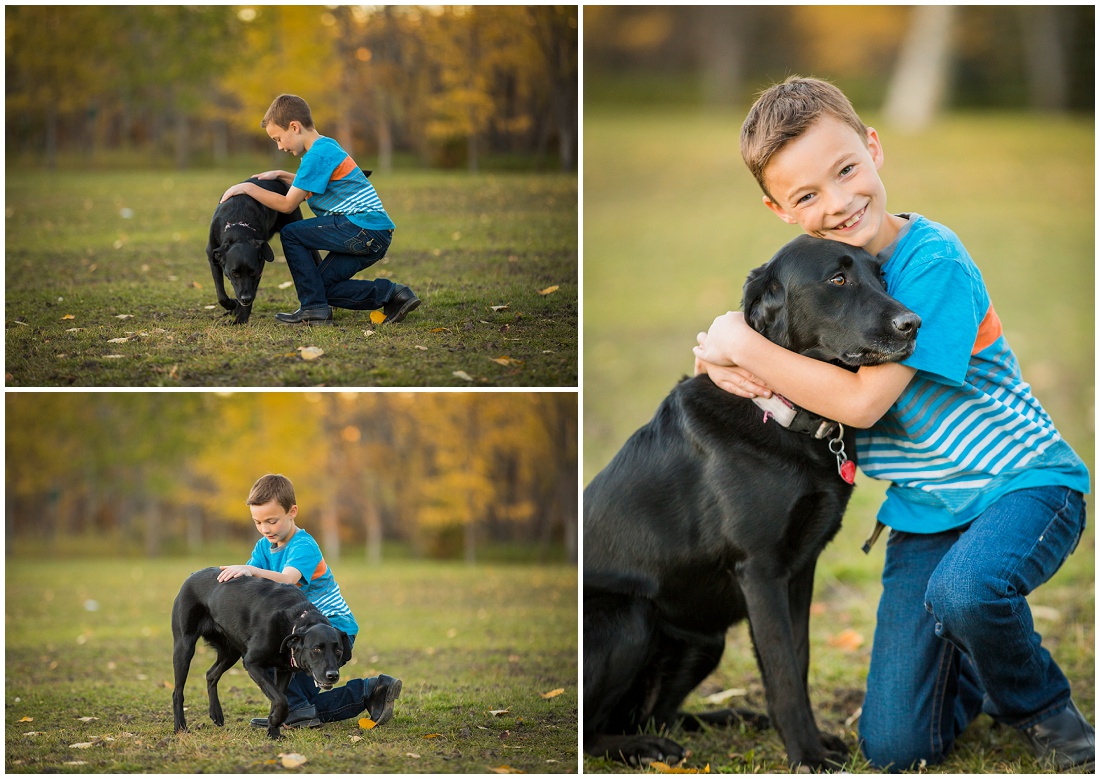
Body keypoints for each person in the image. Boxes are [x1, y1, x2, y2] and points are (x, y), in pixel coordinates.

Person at [692, 76, 1093, 772]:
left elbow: (862, 404)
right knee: (896, 747)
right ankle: (972, 659)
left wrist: (738, 339)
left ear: (873, 147)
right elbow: (751, 367)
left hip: (1022, 486)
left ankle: (1041, 707)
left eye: (846, 170)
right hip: (924, 514)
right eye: (808, 194)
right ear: (779, 209)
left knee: (965, 589)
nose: (839, 202)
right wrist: (721, 352)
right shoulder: (826, 284)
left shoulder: (932, 263)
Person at [218, 473, 402, 729]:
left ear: (292, 512)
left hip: (332, 632)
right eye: (258, 522)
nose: (265, 528)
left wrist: (251, 570)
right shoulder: (262, 547)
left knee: (270, 656)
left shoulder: (304, 545)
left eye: (272, 521)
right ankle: (370, 690)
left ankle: (297, 710)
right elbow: (253, 587)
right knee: (301, 696)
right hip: (303, 633)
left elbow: (286, 579)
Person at [219, 94, 420, 326]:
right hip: (374, 234)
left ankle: (312, 309)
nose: (279, 146)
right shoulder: (327, 146)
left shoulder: (316, 156)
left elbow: (288, 204)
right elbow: (314, 186)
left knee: (291, 233)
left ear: (294, 127)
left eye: (278, 138)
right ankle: (394, 295)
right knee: (319, 286)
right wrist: (281, 175)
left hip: (360, 226)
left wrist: (247, 187)